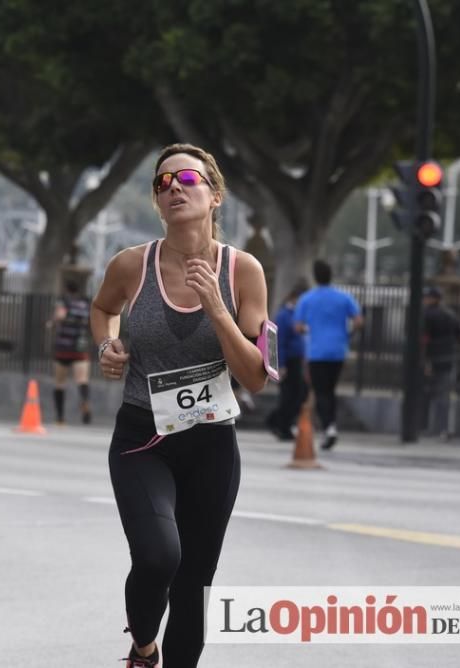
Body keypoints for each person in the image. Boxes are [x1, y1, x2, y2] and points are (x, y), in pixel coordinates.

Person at [91, 143, 269, 668]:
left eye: (186, 179)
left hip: (212, 444)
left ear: (214, 195)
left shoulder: (243, 271)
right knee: (158, 556)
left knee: (194, 583)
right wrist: (107, 344)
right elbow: (103, 309)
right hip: (143, 438)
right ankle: (144, 647)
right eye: (162, 183)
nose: (173, 189)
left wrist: (217, 306)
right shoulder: (131, 265)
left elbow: (256, 377)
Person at [294, 260, 362, 451]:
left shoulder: (307, 299)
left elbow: (298, 326)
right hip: (338, 350)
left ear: (315, 276)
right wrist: (347, 334)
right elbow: (358, 320)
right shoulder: (344, 297)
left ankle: (329, 427)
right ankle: (330, 424)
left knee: (320, 390)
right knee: (330, 390)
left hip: (317, 351)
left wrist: (309, 330)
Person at [264, 280, 309, 440]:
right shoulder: (285, 315)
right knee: (291, 395)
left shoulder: (296, 315)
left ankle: (279, 421)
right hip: (288, 361)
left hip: (296, 359)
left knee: (299, 393)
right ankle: (282, 425)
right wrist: (281, 365)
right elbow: (279, 341)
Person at [49, 280, 92, 425]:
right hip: (80, 347)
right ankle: (84, 401)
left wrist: (52, 323)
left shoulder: (64, 301)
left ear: (67, 289)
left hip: (63, 348)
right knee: (82, 379)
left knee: (60, 382)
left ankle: (60, 417)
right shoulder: (85, 303)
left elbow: (60, 316)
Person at [422, 286, 460, 440]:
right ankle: (443, 428)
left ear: (432, 299)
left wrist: (425, 361)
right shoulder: (451, 315)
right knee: (444, 396)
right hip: (448, 358)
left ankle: (426, 427)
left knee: (426, 394)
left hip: (431, 358)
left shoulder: (426, 315)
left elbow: (423, 339)